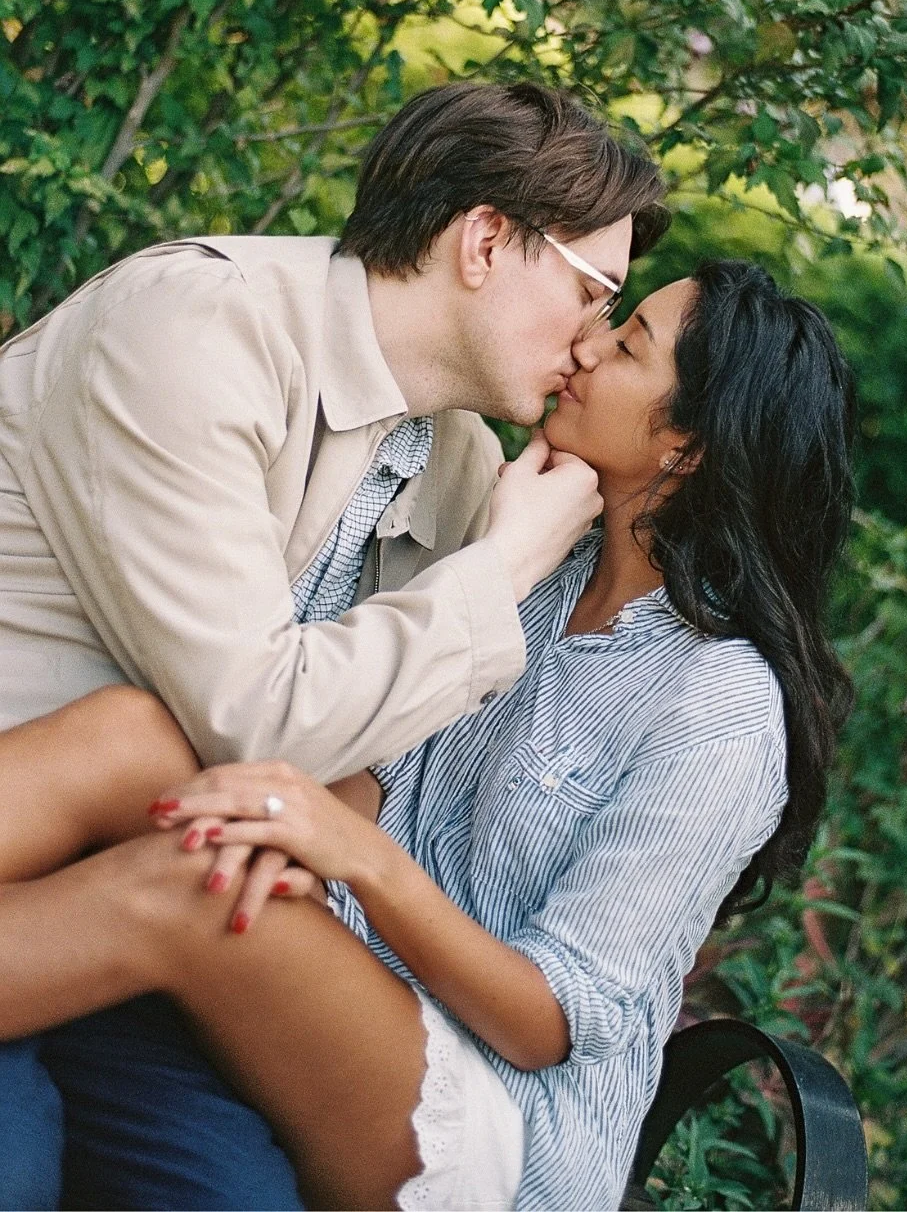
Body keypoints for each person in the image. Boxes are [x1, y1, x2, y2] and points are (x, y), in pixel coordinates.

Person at [0, 259, 855, 1210]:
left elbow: (551, 1021)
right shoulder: (543, 573)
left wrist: (347, 849)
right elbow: (386, 782)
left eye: (627, 344)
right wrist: (290, 810)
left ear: (687, 447)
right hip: (350, 976)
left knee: (195, 880)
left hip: (493, 1117)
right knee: (142, 743)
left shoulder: (722, 703)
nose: (585, 345)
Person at [0, 80, 668, 1206]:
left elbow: (359, 775)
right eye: (595, 291)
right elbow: (257, 721)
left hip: (178, 903)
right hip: (28, 832)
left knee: (226, 1195)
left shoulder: (454, 460)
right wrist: (503, 570)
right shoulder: (198, 326)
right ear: (488, 240)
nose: (591, 342)